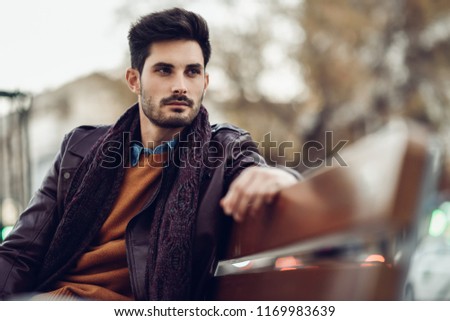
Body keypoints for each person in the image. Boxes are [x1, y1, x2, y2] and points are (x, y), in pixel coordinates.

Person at [0, 7, 299, 301]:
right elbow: (21, 251)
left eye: (192, 72)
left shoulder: (223, 150)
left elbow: (253, 169)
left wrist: (276, 174)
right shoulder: (79, 148)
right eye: (164, 70)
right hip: (46, 301)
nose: (180, 86)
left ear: (205, 82)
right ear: (134, 80)